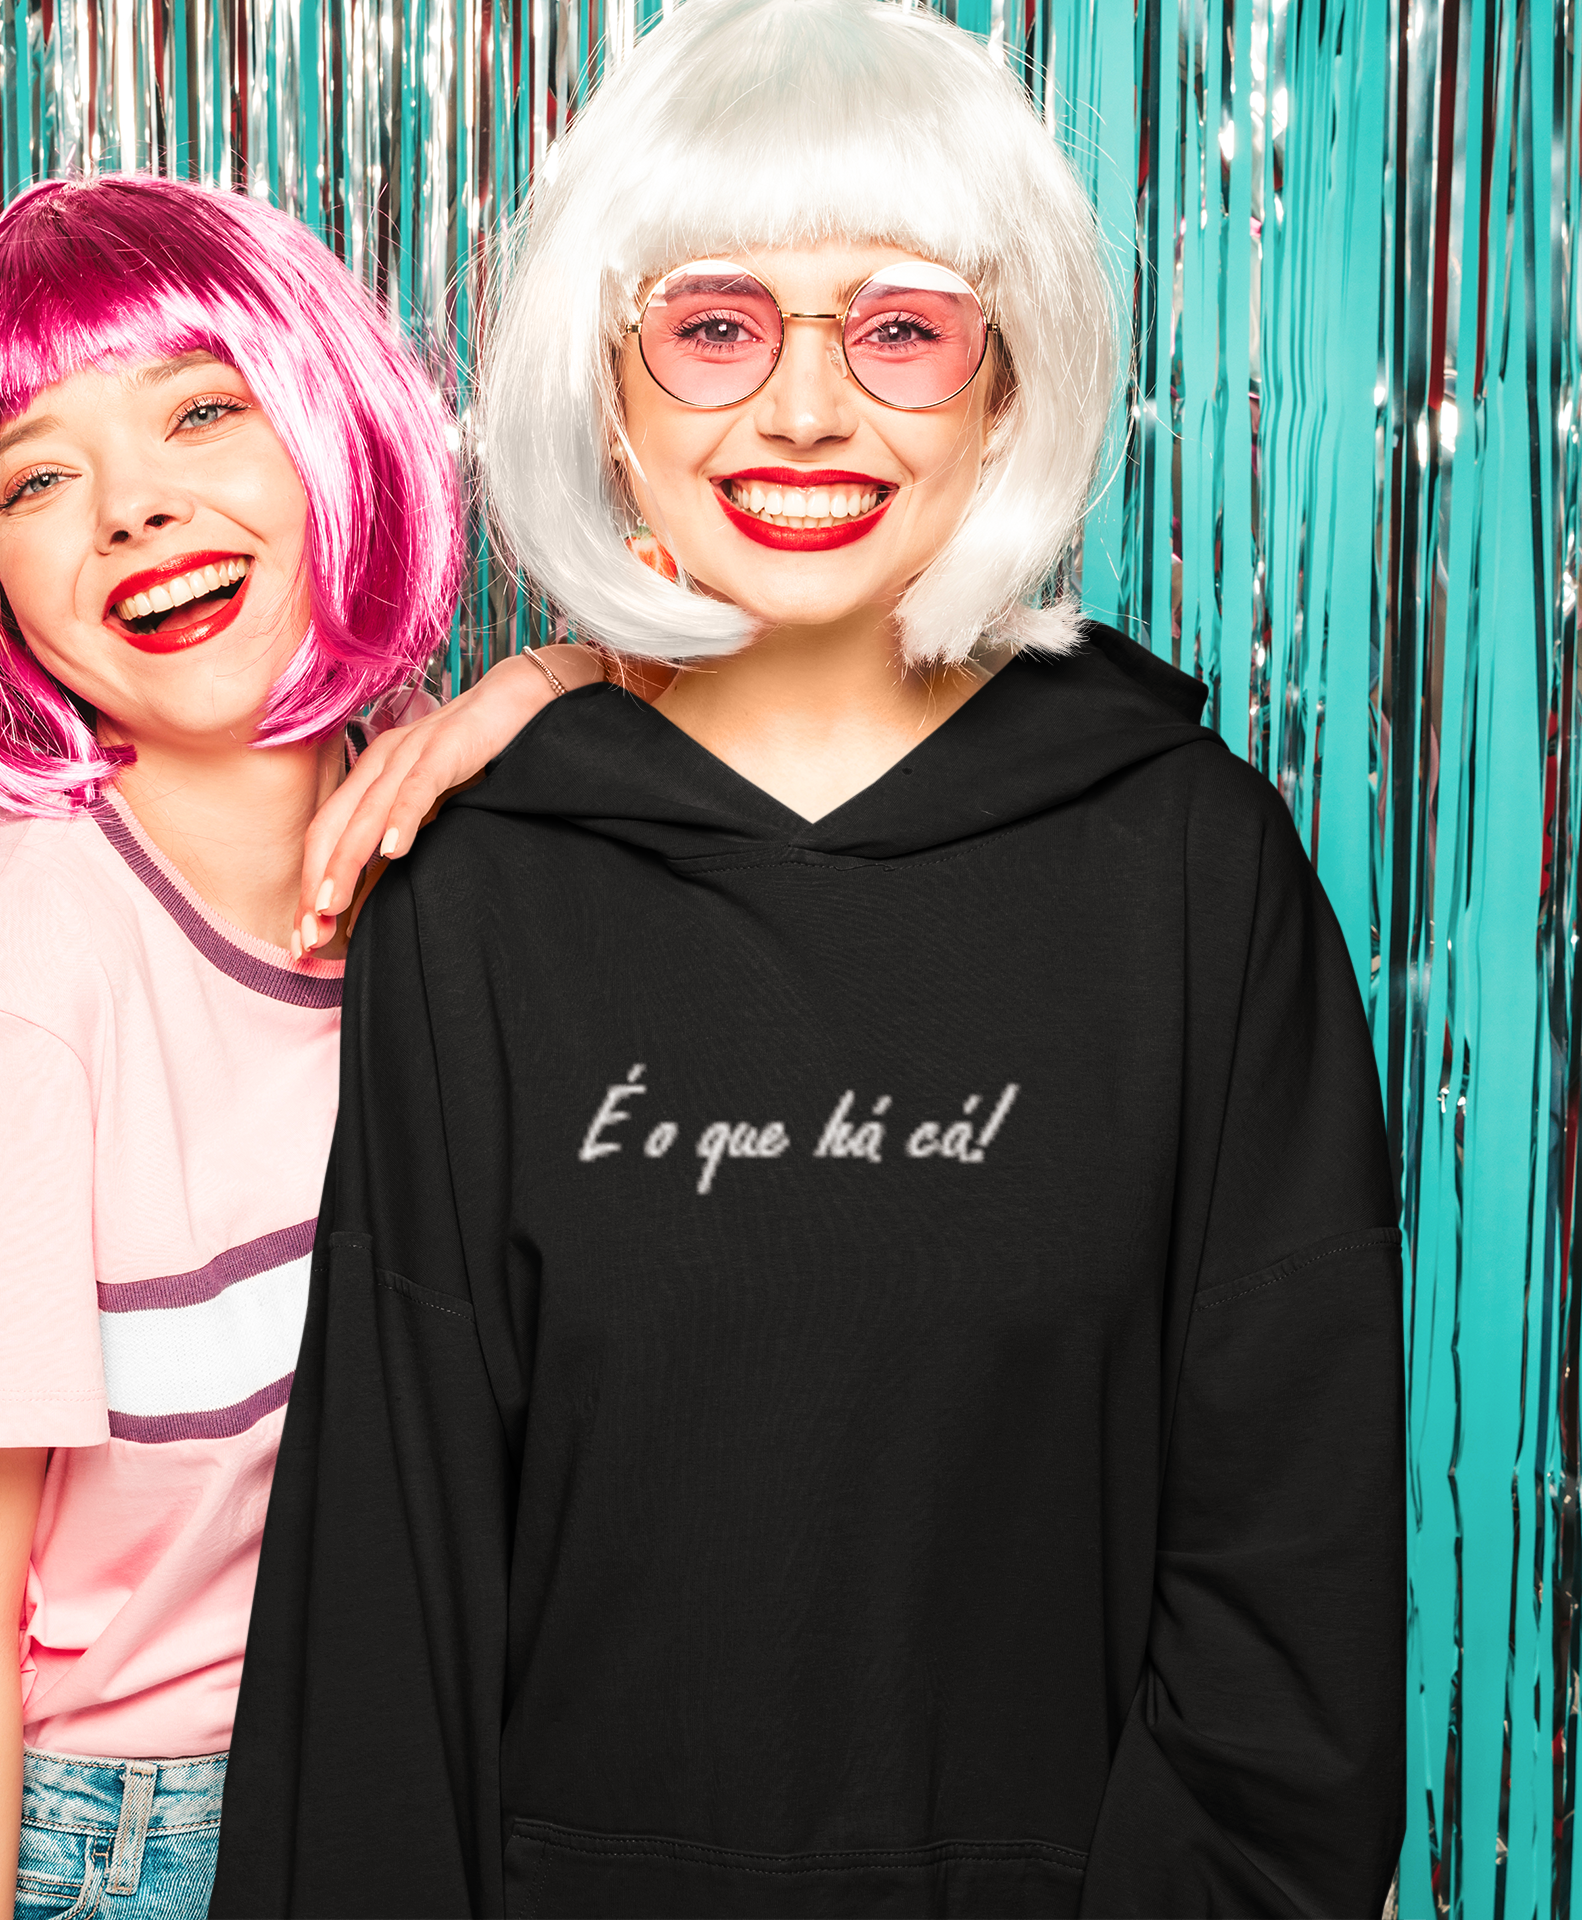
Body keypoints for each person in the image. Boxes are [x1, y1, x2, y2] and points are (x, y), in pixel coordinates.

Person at [211, 1, 1407, 1914]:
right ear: (612, 393)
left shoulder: (1198, 871)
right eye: (715, 326)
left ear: (1004, 390)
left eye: (901, 329)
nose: (803, 411)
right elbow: (387, 1597)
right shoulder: (484, 893)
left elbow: (1290, 1587)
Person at [0, 173, 602, 1920]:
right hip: (147, 1838)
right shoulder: (14, 1004)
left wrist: (558, 685)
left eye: (199, 411)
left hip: (443, 1774)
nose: (133, 508)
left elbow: (761, 709)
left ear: (333, 430)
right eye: (38, 478)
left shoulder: (464, 827)